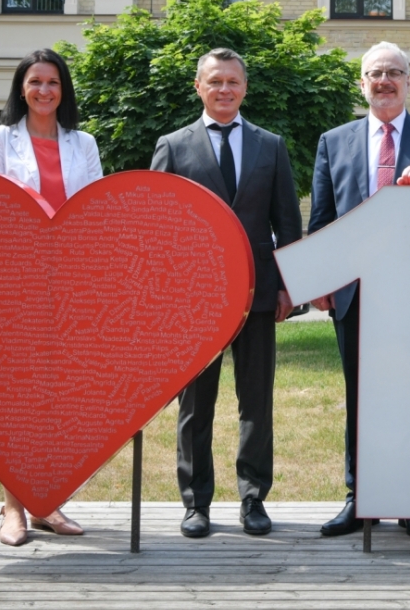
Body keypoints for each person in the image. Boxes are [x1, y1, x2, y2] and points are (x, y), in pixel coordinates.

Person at [308, 41, 410, 541]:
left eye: (394, 72)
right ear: (362, 84)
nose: (384, 80)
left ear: (408, 82)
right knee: (360, 395)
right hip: (354, 288)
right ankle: (360, 499)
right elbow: (322, 218)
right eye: (375, 73)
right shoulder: (335, 141)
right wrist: (321, 277)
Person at [151, 47, 302, 539]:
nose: (224, 90)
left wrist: (287, 287)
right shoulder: (172, 146)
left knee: (256, 402)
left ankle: (253, 498)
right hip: (195, 302)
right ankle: (196, 504)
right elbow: (158, 228)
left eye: (233, 82)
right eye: (215, 82)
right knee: (196, 404)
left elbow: (287, 221)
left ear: (244, 88)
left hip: (257, 295)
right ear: (199, 87)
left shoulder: (270, 145)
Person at [0, 48, 103, 547]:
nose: (44, 90)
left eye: (53, 82)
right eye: (35, 82)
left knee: (60, 393)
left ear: (63, 90)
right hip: (15, 280)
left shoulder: (83, 142)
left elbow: (94, 209)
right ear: (21, 88)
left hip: (69, 281)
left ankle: (47, 501)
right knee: (17, 393)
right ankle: (13, 507)